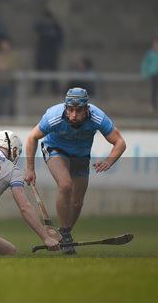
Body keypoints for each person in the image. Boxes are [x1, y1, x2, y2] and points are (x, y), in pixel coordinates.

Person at [24, 87, 126, 254]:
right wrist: (30, 169)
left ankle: (65, 234)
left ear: (87, 108)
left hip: (81, 156)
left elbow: (120, 142)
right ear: (65, 107)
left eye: (78, 111)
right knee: (65, 185)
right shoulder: (54, 116)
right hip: (55, 149)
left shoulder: (97, 117)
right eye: (70, 110)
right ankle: (65, 234)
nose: (73, 115)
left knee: (77, 202)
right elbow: (32, 137)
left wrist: (109, 161)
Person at [33, 9, 63, 94]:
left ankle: (55, 90)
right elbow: (36, 27)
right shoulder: (41, 27)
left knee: (53, 72)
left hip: (52, 53)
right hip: (42, 53)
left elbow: (60, 39)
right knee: (39, 72)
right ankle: (37, 89)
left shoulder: (56, 27)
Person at [0, 38, 19, 116]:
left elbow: (17, 66)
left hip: (10, 82)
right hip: (0, 81)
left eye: (6, 44)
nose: (4, 46)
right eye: (3, 44)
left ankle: (11, 118)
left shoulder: (14, 56)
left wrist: (8, 67)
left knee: (11, 102)